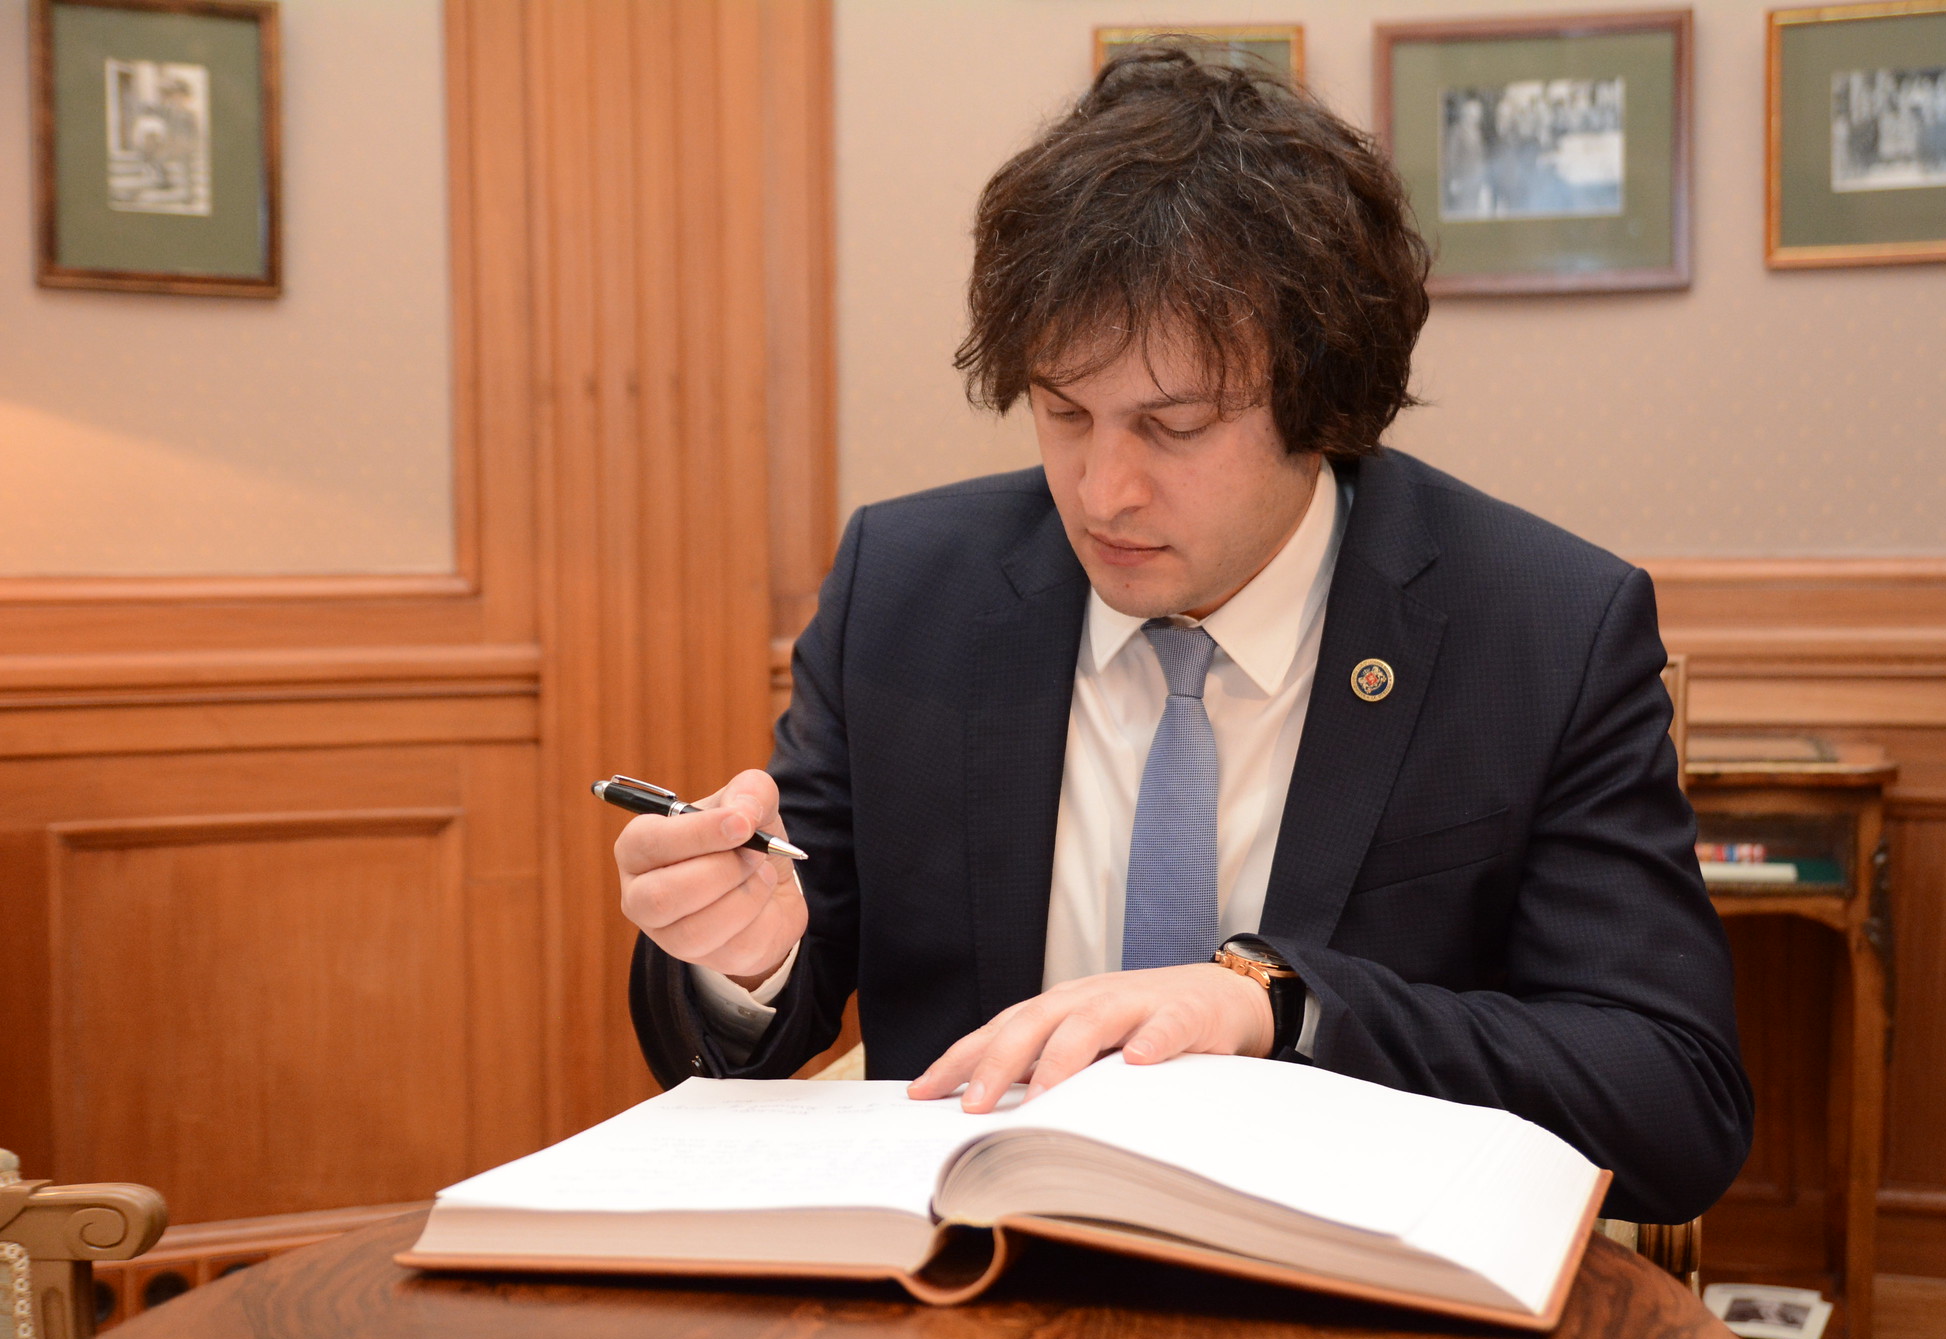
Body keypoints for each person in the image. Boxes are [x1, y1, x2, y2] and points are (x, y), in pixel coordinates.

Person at [617, 45, 1751, 1224]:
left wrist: (1283, 1008)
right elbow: (755, 1027)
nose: (1101, 490)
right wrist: (743, 954)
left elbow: (1671, 1099)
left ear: (1323, 404)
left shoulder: (1539, 628)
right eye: (1063, 412)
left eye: (1174, 425)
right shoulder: (907, 590)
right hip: (973, 1285)